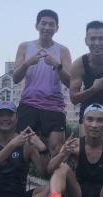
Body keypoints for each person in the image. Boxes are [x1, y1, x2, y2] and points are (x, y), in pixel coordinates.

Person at [13, 9, 72, 156]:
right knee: (24, 150)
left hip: (54, 105)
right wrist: (27, 63)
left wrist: (57, 65)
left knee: (57, 150)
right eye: (43, 23)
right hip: (29, 103)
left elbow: (70, 82)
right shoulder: (25, 47)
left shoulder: (63, 50)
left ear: (57, 28)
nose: (47, 27)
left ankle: (53, 172)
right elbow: (15, 78)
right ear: (37, 26)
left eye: (51, 24)